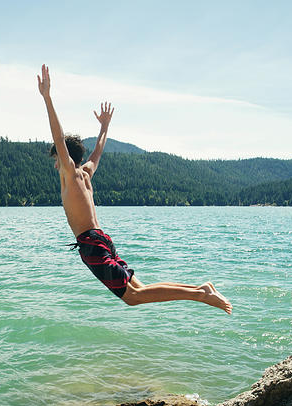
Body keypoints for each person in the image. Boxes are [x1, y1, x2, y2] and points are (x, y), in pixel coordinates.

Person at [37, 64, 232, 313]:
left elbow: (59, 138)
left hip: (92, 244)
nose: (56, 165)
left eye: (57, 160)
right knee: (138, 290)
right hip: (101, 239)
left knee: (133, 296)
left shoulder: (72, 173)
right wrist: (104, 127)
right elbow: (97, 153)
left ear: (66, 159)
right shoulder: (85, 174)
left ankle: (201, 295)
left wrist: (47, 98)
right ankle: (200, 290)